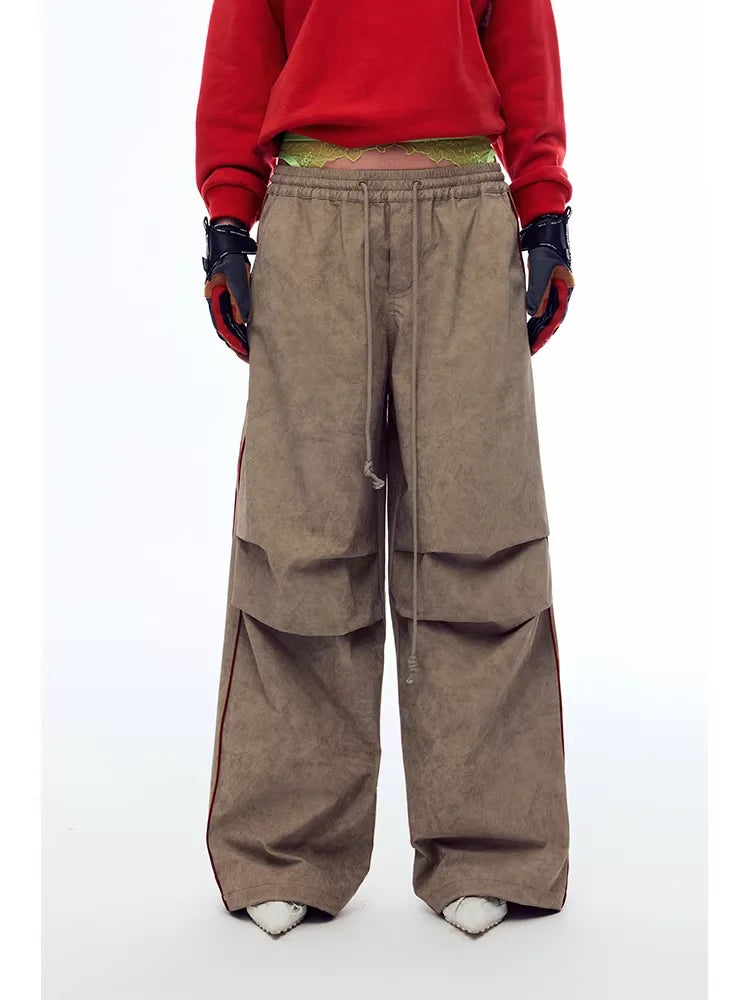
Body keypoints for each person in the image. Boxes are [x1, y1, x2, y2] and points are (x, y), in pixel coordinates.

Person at [195, 0, 574, 938]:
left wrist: (547, 217)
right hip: (313, 215)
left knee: (479, 529)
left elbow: (522, 44)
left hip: (464, 213)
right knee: (302, 533)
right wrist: (228, 224)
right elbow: (243, 49)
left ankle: (490, 847)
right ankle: (285, 847)